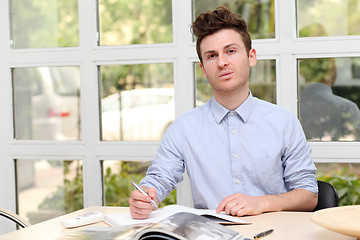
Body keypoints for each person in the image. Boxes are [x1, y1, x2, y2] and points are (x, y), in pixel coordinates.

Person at [129, 6, 318, 219]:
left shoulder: (283, 122)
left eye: (230, 51)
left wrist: (261, 203)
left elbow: (308, 195)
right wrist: (145, 198)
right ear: (203, 69)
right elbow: (158, 180)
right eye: (211, 56)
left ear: (251, 57)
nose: (222, 62)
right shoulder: (184, 128)